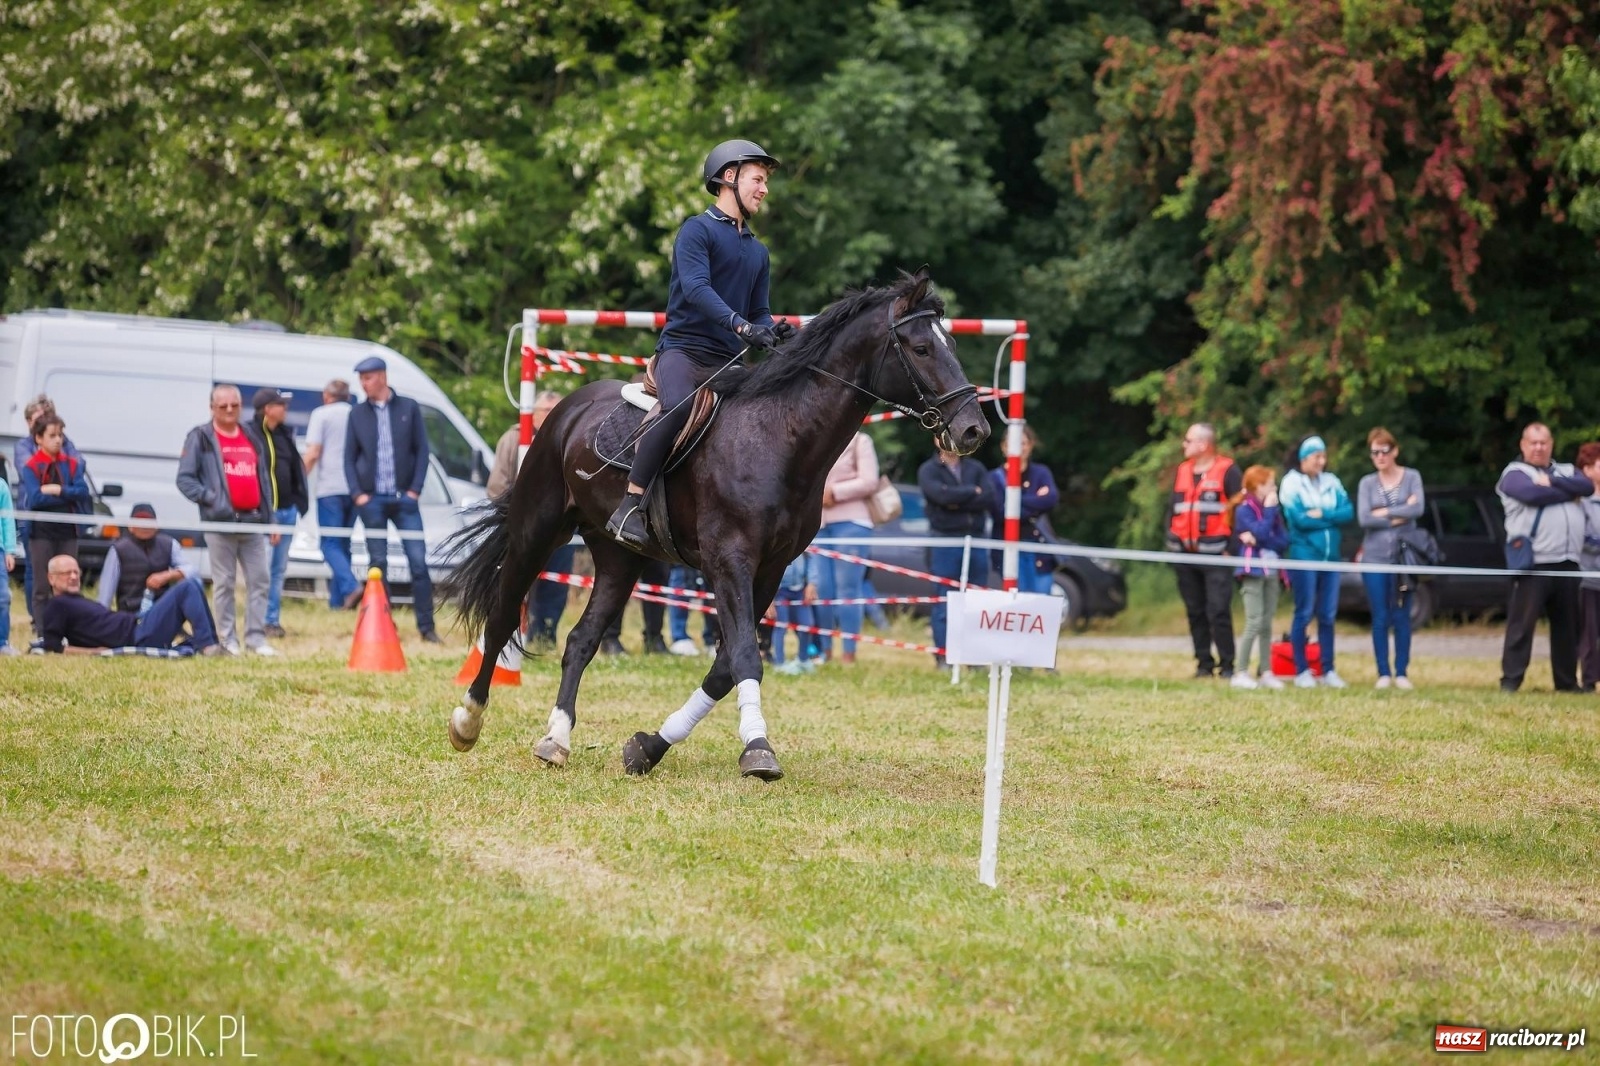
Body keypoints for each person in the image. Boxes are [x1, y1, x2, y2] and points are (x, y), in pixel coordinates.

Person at [605, 139, 793, 547]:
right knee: (680, 406)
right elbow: (695, 289)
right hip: (684, 354)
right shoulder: (696, 230)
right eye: (758, 179)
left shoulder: (757, 251)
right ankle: (630, 504)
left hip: (729, 362)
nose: (764, 189)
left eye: (765, 182)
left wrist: (771, 330)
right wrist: (743, 328)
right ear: (730, 177)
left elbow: (758, 310)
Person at [344, 355, 443, 643]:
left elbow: (422, 451)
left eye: (368, 377)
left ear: (383, 377)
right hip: (371, 500)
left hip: (405, 501)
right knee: (378, 564)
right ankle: (385, 626)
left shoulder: (408, 408)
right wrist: (358, 495)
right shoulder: (357, 414)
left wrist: (415, 490)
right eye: (361, 378)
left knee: (418, 563)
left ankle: (427, 627)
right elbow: (349, 458)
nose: (364, 383)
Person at [176, 383, 277, 656]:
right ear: (212, 408)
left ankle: (256, 639)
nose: (230, 410)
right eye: (223, 406)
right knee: (225, 582)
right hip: (220, 523)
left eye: (234, 405)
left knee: (260, 579)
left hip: (253, 521)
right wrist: (212, 499)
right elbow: (185, 479)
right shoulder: (201, 437)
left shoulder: (251, 435)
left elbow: (264, 478)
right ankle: (227, 639)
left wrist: (271, 518)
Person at [1496, 423, 1594, 693]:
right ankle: (1511, 680)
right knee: (1521, 625)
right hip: (1534, 562)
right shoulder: (1514, 473)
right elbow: (1531, 495)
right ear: (1523, 445)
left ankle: (1566, 683)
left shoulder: (1564, 470)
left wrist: (1553, 481)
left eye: (1543, 442)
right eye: (1533, 442)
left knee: (1568, 627)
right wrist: (1567, 491)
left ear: (1551, 444)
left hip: (1568, 562)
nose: (1539, 447)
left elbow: (1586, 486)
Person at [488, 390, 574, 648]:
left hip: (560, 527)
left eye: (557, 410)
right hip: (523, 527)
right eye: (547, 410)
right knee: (517, 582)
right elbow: (497, 485)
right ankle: (507, 634)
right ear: (534, 413)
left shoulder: (569, 440)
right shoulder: (514, 440)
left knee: (555, 587)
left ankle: (545, 635)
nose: (552, 416)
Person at [1166, 423, 1242, 679]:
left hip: (1217, 554)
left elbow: (1240, 510)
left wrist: (1232, 549)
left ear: (1203, 444)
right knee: (1194, 611)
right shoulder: (1182, 471)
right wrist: (1170, 541)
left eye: (1188, 440)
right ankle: (1203, 664)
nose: (1184, 445)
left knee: (1218, 610)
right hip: (1184, 555)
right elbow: (1172, 510)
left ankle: (1228, 665)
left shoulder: (1228, 470)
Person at [1280, 435, 1354, 689]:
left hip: (1330, 558)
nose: (1322, 461)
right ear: (1304, 459)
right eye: (1316, 457)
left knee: (1328, 615)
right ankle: (1302, 670)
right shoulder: (1291, 483)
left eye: (1324, 456)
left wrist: (1323, 514)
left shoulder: (1332, 482)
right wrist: (1331, 519)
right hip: (1305, 556)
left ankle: (1328, 669)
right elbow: (1299, 520)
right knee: (1304, 612)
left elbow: (1348, 513)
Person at [40, 554, 221, 655]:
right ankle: (208, 646)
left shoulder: (76, 600)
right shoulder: (56, 605)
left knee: (193, 585)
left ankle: (210, 643)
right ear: (51, 578)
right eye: (66, 573)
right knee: (187, 587)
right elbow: (53, 646)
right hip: (137, 636)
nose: (73, 577)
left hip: (138, 623)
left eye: (76, 572)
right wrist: (93, 652)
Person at [1356, 428, 1426, 690]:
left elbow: (1418, 508)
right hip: (1374, 558)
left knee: (1402, 615)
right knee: (1380, 615)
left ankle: (1402, 671)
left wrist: (1382, 512)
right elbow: (1364, 518)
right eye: (1374, 452)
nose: (1380, 456)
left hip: (1404, 558)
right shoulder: (1366, 483)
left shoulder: (1412, 477)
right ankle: (1383, 672)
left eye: (1384, 450)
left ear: (1394, 451)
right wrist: (1399, 513)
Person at [809, 431, 880, 664]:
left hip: (852, 523)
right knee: (823, 589)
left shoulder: (861, 440)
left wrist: (836, 493)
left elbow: (870, 480)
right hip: (819, 524)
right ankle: (825, 650)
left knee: (848, 589)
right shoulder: (820, 437)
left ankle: (849, 652)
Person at [13, 395, 83, 623]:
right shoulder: (26, 454)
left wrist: (57, 490)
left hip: (66, 528)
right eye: (52, 435)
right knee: (39, 577)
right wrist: (67, 493)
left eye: (60, 435)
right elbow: (34, 497)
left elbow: (81, 489)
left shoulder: (68, 455)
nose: (58, 440)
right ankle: (41, 625)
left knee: (69, 576)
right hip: (37, 525)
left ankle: (68, 625)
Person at [918, 443, 989, 669]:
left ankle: (974, 658)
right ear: (936, 439)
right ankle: (944, 657)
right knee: (944, 602)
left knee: (976, 600)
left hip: (975, 540)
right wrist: (971, 491)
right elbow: (940, 496)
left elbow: (988, 497)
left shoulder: (976, 467)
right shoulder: (928, 470)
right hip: (944, 541)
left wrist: (955, 500)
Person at [252, 388, 310, 638]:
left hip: (288, 511)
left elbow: (295, 469)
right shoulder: (251, 434)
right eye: (281, 405)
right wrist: (268, 516)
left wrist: (298, 503)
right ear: (267, 409)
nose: (285, 409)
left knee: (278, 570)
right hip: (267, 515)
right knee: (262, 570)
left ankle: (271, 620)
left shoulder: (285, 434)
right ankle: (256, 620)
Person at [1228, 465, 1288, 690]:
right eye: (1271, 485)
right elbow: (1263, 532)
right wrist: (1268, 519)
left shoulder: (1272, 511)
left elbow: (1283, 540)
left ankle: (1266, 670)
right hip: (1253, 571)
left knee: (1266, 622)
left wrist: (1261, 538)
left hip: (1273, 570)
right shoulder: (1244, 510)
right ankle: (1240, 672)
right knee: (1253, 621)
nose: (1274, 489)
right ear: (1258, 487)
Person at [302, 379, 361, 610]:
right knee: (343, 544)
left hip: (330, 488)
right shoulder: (356, 414)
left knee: (328, 544)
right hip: (354, 488)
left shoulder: (321, 414)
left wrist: (298, 480)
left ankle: (350, 587)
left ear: (327, 395)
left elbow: (313, 451)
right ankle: (338, 603)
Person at [985, 425, 1060, 594]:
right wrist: (1035, 502)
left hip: (1038, 549)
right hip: (1008, 548)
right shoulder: (993, 478)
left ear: (1031, 445)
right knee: (1016, 602)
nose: (1020, 447)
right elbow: (999, 512)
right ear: (1004, 446)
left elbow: (1051, 499)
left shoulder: (1041, 473)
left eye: (1024, 443)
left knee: (1041, 603)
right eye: (1014, 442)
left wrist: (1014, 501)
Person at [95, 503, 200, 616]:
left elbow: (192, 570)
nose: (145, 526)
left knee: (193, 586)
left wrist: (168, 575)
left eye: (148, 522)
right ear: (131, 526)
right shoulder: (118, 549)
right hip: (131, 615)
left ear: (156, 525)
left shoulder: (169, 544)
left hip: (163, 612)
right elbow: (105, 594)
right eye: (140, 522)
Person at [771, 553, 821, 675]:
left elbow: (812, 558)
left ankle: (803, 659)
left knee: (807, 624)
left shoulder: (804, 537)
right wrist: (769, 595)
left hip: (800, 589)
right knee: (781, 627)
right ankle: (779, 663)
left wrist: (812, 583)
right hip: (780, 590)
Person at [1578, 442, 1600, 692]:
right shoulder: (1580, 502)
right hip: (1588, 578)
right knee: (1589, 634)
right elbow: (1584, 539)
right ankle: (1589, 680)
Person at [0, 470, 19, 654]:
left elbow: (7, 520)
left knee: (3, 597)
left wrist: (9, 550)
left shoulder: (1, 486)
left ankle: (2, 643)